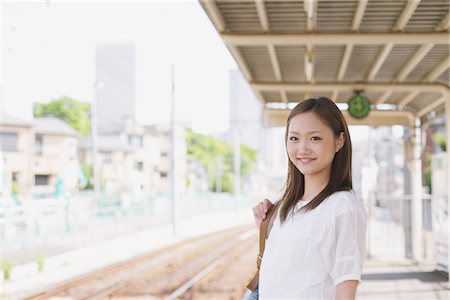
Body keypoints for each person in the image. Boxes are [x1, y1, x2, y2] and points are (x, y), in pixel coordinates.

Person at [252, 97, 367, 300]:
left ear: (339, 141)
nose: (303, 149)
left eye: (315, 138)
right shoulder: (286, 206)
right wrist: (266, 225)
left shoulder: (343, 208)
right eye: (294, 138)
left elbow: (345, 293)